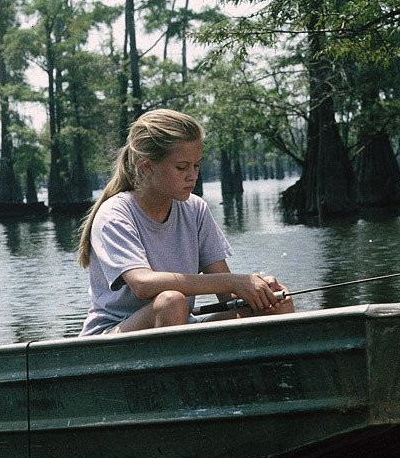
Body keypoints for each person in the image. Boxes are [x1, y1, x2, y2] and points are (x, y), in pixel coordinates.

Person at [78, 109, 294, 336]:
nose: (192, 175)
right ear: (147, 167)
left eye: (197, 165)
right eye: (182, 167)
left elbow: (226, 295)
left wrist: (258, 289)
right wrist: (235, 281)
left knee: (277, 301)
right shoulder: (114, 213)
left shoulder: (196, 208)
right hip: (111, 338)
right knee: (171, 301)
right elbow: (143, 285)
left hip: (179, 326)